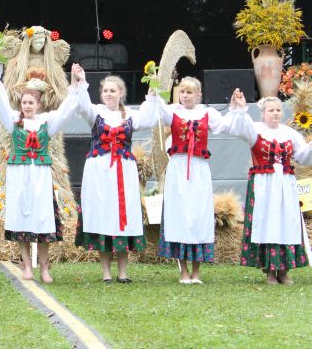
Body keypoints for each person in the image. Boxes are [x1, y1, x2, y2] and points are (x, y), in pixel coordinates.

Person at [0, 63, 85, 282]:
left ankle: (44, 268)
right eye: (24, 103)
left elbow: (65, 112)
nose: (27, 106)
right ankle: (26, 266)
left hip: (40, 177)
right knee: (21, 219)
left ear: (38, 104)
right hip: (19, 176)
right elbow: (0, 103)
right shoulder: (14, 122)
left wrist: (74, 85)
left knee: (43, 220)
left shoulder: (46, 123)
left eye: (31, 103)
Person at [72, 66, 159, 283]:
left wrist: (152, 93)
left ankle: (122, 272)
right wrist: (81, 82)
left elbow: (149, 120)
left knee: (123, 215)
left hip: (123, 171)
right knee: (102, 214)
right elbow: (82, 106)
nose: (109, 94)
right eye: (105, 91)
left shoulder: (130, 115)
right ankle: (106, 273)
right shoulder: (96, 112)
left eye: (113, 90)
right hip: (99, 171)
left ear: (121, 93)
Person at [220, 90, 310, 284]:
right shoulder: (255, 130)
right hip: (264, 184)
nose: (275, 113)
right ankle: (270, 270)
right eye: (271, 110)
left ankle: (284, 271)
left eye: (278, 110)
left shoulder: (289, 133)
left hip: (286, 185)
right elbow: (240, 127)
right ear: (263, 113)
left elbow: (303, 156)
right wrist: (241, 108)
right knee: (267, 222)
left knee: (286, 222)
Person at [156, 76, 224, 284]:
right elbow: (155, 111)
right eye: (182, 92)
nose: (185, 96)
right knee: (180, 214)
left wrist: (237, 109)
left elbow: (226, 126)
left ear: (198, 95)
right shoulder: (173, 112)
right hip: (178, 167)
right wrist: (154, 92)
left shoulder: (207, 113)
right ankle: (183, 271)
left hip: (199, 168)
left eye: (189, 92)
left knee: (199, 214)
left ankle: (196, 271)